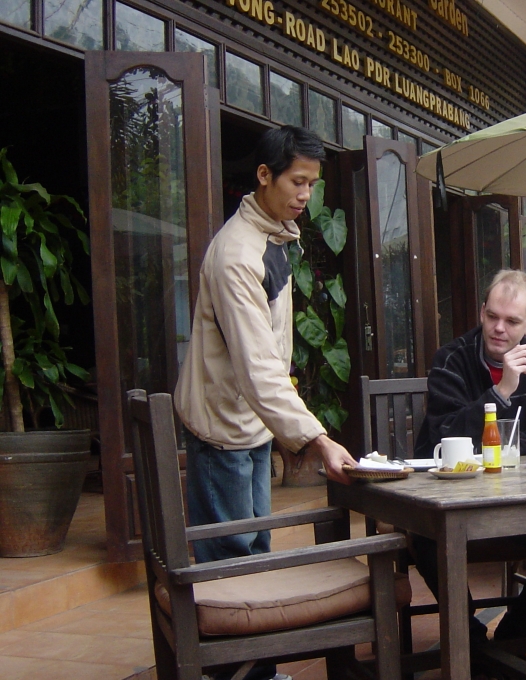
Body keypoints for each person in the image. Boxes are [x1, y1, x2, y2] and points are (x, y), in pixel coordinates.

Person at [174, 126, 357, 680]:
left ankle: (256, 670)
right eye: (297, 181)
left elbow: (269, 355)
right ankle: (236, 672)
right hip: (223, 428)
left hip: (250, 423)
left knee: (255, 550)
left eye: (312, 184)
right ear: (264, 176)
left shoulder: (276, 235)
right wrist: (318, 438)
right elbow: (257, 367)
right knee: (231, 562)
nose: (306, 195)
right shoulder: (236, 255)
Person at [412, 270, 526, 646]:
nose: (498, 328)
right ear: (482, 312)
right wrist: (502, 391)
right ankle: (470, 641)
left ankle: (514, 640)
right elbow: (443, 435)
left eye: (512, 321)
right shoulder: (450, 359)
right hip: (452, 505)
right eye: (492, 317)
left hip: (518, 502)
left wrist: (491, 446)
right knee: (423, 533)